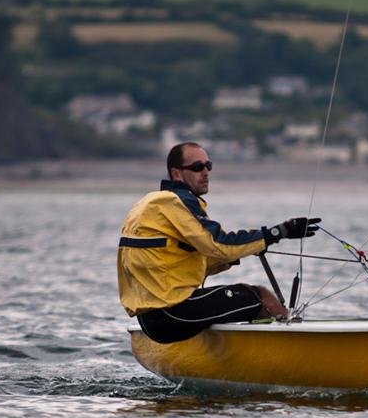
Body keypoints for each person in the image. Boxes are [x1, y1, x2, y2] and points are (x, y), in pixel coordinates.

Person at [117, 142, 320, 344]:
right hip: (174, 314)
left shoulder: (149, 204)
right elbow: (219, 244)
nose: (205, 172)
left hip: (150, 321)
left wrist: (243, 252)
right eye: (197, 167)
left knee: (239, 299)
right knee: (261, 297)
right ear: (176, 174)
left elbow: (182, 263)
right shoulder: (175, 202)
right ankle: (294, 347)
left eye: (208, 166)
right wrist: (278, 232)